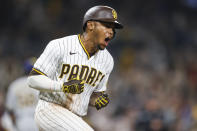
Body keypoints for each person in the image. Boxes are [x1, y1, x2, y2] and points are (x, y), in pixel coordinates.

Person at [27, 5, 123, 131]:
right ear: (90, 25)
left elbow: (93, 96)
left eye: (113, 29)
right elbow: (33, 80)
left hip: (75, 117)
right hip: (50, 110)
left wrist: (97, 101)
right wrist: (63, 86)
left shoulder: (108, 60)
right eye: (107, 26)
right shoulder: (60, 45)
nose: (111, 31)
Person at [5, 57, 39, 131]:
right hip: (36, 122)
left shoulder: (15, 85)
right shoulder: (40, 84)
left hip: (20, 122)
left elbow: (10, 110)